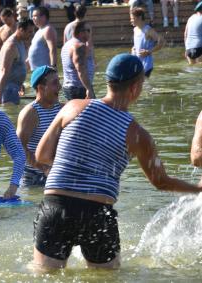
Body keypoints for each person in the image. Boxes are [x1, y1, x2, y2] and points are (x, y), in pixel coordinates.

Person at [33, 53, 202, 270]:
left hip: (56, 206)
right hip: (97, 213)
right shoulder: (138, 135)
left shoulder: (72, 107)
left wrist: (75, 165)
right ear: (134, 88)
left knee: (44, 275)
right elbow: (161, 182)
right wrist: (197, 188)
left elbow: (42, 155)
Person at [17, 65, 62, 187]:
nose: (60, 86)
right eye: (55, 83)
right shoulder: (30, 113)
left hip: (55, 174)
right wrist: (43, 168)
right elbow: (18, 147)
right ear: (41, 88)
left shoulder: (61, 109)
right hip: (33, 178)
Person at [0, 19, 35, 105]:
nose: (32, 34)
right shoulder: (11, 46)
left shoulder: (20, 42)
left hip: (14, 88)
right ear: (20, 29)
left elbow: (17, 66)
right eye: (29, 32)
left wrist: (20, 83)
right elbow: (3, 71)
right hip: (7, 89)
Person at [60, 21, 95, 100]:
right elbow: (81, 70)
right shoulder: (79, 46)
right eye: (88, 31)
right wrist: (89, 89)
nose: (89, 34)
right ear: (81, 32)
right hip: (79, 89)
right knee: (93, 112)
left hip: (70, 87)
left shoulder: (67, 45)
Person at [131, 8, 165, 78]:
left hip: (146, 65)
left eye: (133, 18)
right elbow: (137, 44)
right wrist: (133, 48)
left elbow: (162, 41)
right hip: (137, 64)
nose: (131, 20)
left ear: (139, 17)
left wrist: (149, 51)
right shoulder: (135, 29)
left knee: (145, 85)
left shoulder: (148, 30)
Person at [27, 6, 58, 71]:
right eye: (32, 16)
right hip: (38, 70)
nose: (33, 18)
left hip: (45, 71)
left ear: (43, 17)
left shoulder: (48, 29)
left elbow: (53, 50)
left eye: (35, 16)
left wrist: (53, 67)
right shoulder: (39, 30)